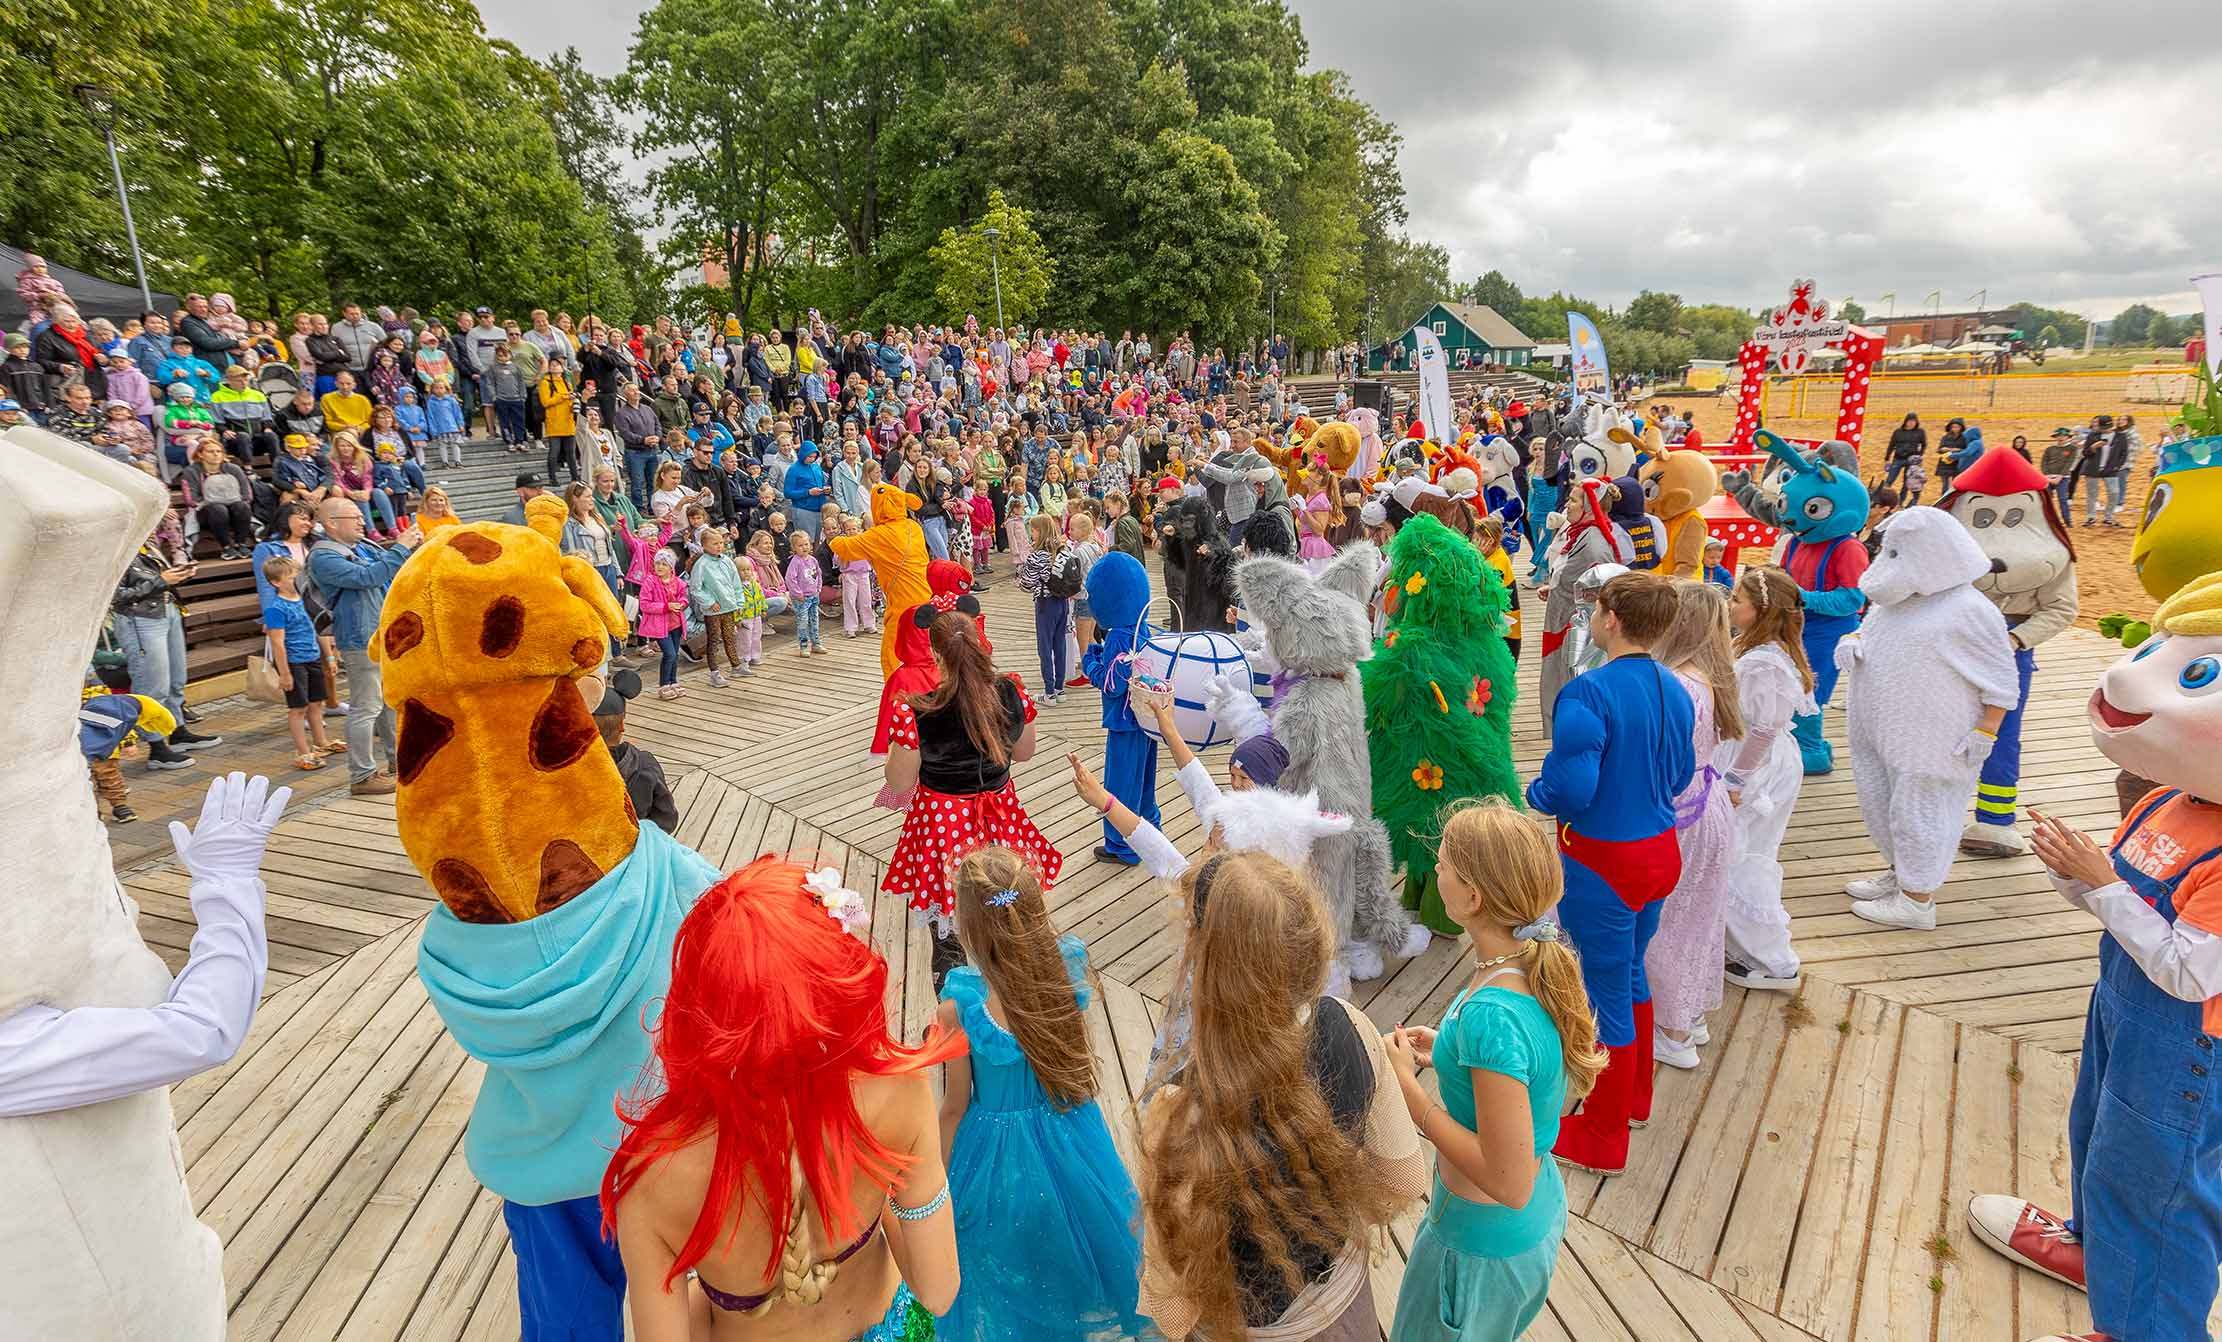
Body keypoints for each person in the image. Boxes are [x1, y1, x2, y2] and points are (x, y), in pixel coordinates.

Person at [600, 857, 962, 1341]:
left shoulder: (651, 1183)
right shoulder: (900, 1089)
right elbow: (938, 1291)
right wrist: (874, 1204)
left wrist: (714, 1300)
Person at [1137, 849, 1425, 1342]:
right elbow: (1405, 1178)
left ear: (1208, 966)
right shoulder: (1349, 1023)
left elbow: (1171, 1304)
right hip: (1340, 1302)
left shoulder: (1179, 1110)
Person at [1385, 800, 1598, 1342]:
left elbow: (1509, 1183)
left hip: (1478, 1246)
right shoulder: (1525, 960)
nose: (1435, 869)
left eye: (1445, 863)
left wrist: (1412, 1095)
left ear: (1474, 897)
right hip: (1526, 1224)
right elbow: (1520, 1065)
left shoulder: (1491, 1015)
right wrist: (1449, 1052)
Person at [931, 848, 1153, 1342]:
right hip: (1070, 1137)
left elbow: (953, 1108)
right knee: (1068, 1255)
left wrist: (939, 1183)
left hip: (991, 1161)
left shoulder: (961, 1004)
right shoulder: (1066, 970)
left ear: (969, 926)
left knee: (997, 1268)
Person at [1524, 571, 1693, 1175]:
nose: (1591, 617)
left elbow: (1571, 786)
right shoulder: (1674, 687)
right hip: (1659, 850)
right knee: (1630, 973)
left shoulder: (1587, 691)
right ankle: (1634, 1099)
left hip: (1603, 861)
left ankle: (1602, 1133)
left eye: (1596, 609)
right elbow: (1679, 776)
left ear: (1611, 620)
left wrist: (1537, 792)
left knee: (1602, 993)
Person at [880, 611, 1059, 945]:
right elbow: (1023, 753)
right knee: (1005, 900)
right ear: (978, 645)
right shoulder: (1012, 693)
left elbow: (899, 783)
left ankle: (955, 980)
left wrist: (899, 747)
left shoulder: (918, 711)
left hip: (943, 822)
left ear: (935, 654)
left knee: (951, 916)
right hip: (999, 814)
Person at [1641, 582, 1744, 1069]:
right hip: (1711, 801)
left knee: (1670, 919)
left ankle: (1673, 1030)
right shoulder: (1713, 678)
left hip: (1680, 811)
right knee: (1700, 913)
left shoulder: (1676, 684)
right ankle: (1689, 1013)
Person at [1718, 566, 1817, 993]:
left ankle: (1774, 960)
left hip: (1755, 766)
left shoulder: (1766, 663)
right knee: (1739, 852)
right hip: (1750, 759)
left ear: (1759, 610)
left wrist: (1735, 780)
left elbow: (1765, 728)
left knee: (1741, 856)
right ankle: (1739, 943)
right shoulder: (1760, 649)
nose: (1730, 606)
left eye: (1736, 600)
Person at [306, 498, 420, 795]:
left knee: (389, 703)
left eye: (361, 516)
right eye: (354, 517)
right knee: (365, 707)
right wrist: (400, 547)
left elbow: (391, 571)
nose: (362, 522)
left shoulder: (363, 546)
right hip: (358, 637)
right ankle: (362, 775)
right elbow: (366, 577)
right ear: (331, 523)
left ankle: (399, 763)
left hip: (382, 635)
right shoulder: (323, 556)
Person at [112, 536, 223, 770]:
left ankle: (177, 730)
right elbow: (115, 595)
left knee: (176, 679)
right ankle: (156, 747)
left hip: (167, 611)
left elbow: (157, 581)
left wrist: (177, 575)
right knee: (153, 684)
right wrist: (161, 580)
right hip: (140, 620)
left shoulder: (145, 544)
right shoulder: (115, 548)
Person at [257, 555, 340, 771]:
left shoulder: (306, 600)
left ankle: (321, 742)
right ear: (276, 582)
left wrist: (329, 656)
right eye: (293, 577)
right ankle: (303, 751)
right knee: (298, 707)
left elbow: (319, 629)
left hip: (312, 657)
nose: (299, 580)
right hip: (294, 662)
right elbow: (278, 643)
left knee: (316, 702)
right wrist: (285, 673)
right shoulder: (276, 608)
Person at [1017, 513, 1078, 703]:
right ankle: (1060, 689)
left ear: (1039, 531)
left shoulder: (1037, 556)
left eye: (1033, 530)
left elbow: (1027, 584)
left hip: (1045, 604)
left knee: (1045, 647)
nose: (1031, 533)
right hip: (1063, 602)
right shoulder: (1063, 548)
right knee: (1059, 644)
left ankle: (1049, 692)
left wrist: (1020, 577)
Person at [636, 548, 690, 699]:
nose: (659, 567)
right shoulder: (650, 582)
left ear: (671, 567)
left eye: (664, 564)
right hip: (659, 626)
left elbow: (684, 597)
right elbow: (645, 605)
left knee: (675, 654)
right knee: (670, 654)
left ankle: (673, 682)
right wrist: (666, 607)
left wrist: (681, 603)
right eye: (657, 563)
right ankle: (663, 685)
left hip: (676, 624)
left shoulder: (678, 582)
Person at [786, 528, 826, 656]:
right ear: (794, 547)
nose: (804, 548)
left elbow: (818, 574)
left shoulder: (813, 560)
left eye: (806, 544)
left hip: (814, 595)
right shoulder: (795, 562)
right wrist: (798, 594)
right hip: (802, 598)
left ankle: (816, 643)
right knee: (803, 621)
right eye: (800, 545)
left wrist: (818, 588)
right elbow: (790, 579)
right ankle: (803, 646)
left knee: (814, 619)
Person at [425, 377, 467, 468]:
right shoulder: (431, 403)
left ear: (446, 389)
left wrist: (460, 424)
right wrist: (433, 430)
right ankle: (445, 462)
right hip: (440, 429)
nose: (439, 390)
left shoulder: (451, 400)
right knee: (442, 445)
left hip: (452, 427)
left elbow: (457, 413)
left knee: (455, 444)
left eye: (441, 388)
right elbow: (430, 417)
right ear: (432, 389)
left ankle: (457, 461)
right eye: (436, 388)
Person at [1884, 412, 1926, 488]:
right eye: (1910, 421)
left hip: (1912, 460)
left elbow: (1924, 444)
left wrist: (1919, 455)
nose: (1911, 423)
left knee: (1907, 481)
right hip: (1898, 458)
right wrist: (1887, 458)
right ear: (1905, 421)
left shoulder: (1920, 432)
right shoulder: (1898, 432)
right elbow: (1891, 445)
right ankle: (1884, 494)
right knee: (1890, 479)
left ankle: (1902, 499)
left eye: (1914, 421)